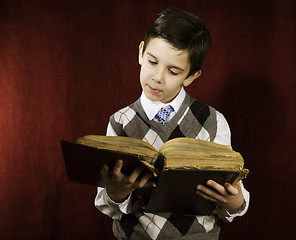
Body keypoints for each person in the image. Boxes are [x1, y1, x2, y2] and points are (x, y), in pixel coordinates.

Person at [95, 8, 250, 240]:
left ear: (191, 76)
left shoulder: (213, 121)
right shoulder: (120, 122)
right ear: (140, 52)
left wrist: (236, 202)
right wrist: (116, 193)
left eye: (173, 71)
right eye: (152, 62)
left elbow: (233, 191)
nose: (158, 77)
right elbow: (106, 203)